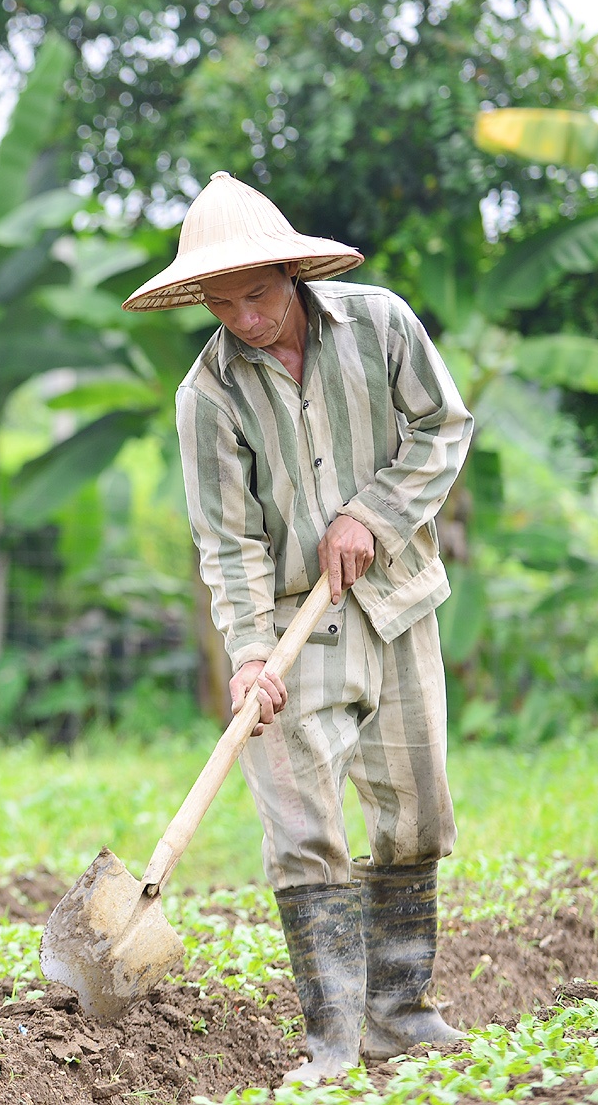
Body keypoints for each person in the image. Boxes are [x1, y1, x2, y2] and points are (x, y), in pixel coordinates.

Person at [123, 171, 474, 1083]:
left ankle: (400, 1011)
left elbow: (443, 426)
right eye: (221, 301)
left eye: (258, 294)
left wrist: (375, 516)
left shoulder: (382, 323)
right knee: (301, 823)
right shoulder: (208, 395)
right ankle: (332, 1036)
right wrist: (247, 655)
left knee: (417, 807)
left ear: (292, 274)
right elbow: (229, 539)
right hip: (287, 624)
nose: (243, 317)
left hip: (393, 600)